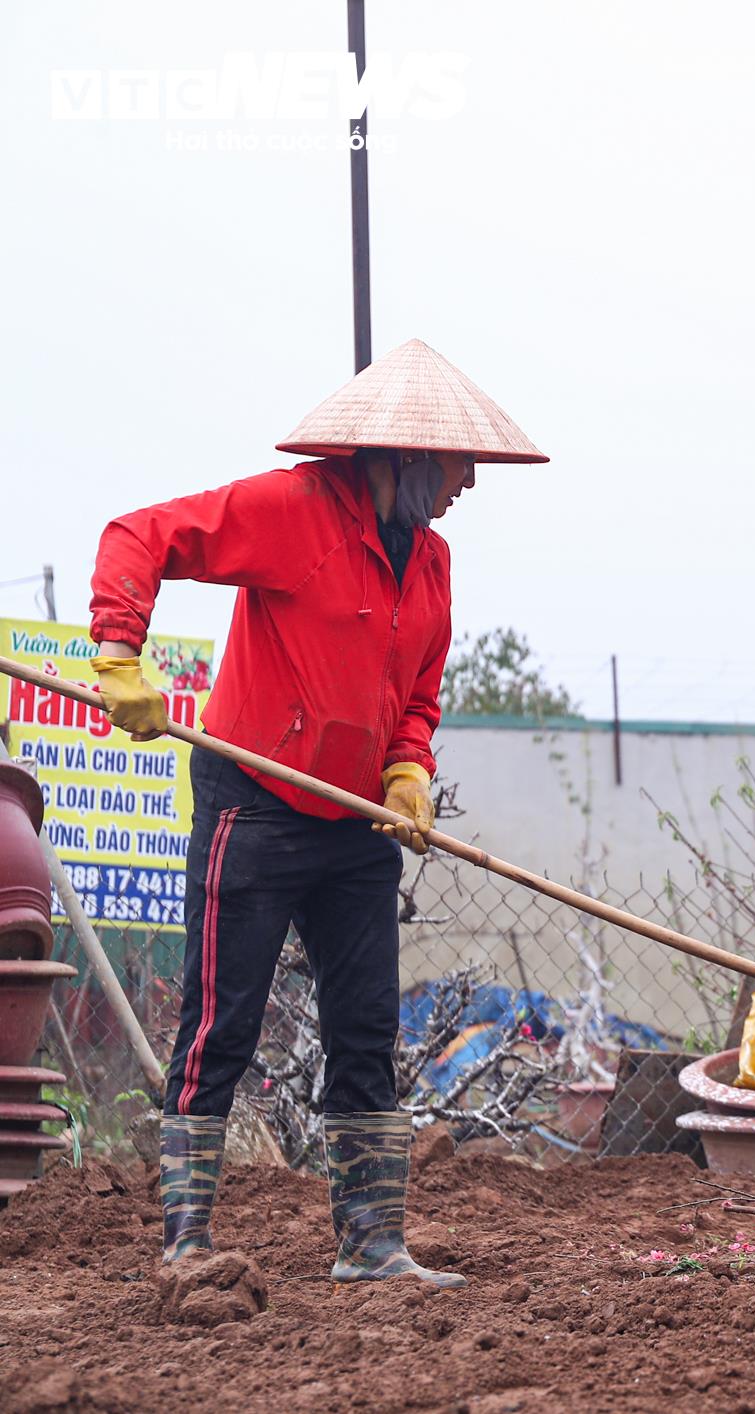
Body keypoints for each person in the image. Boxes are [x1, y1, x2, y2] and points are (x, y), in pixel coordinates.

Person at [87, 339, 546, 1287]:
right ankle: (186, 1243)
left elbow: (417, 695)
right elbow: (139, 535)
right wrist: (118, 654)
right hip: (251, 806)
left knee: (366, 1027)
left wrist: (409, 770)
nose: (468, 482)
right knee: (224, 1023)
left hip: (356, 826)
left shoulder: (431, 564)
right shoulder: (291, 513)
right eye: (458, 464)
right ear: (407, 456)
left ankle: (371, 1244)